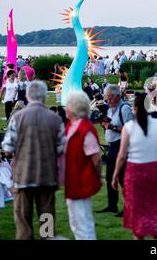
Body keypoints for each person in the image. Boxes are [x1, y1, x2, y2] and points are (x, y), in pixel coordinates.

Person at [2, 81, 65, 240]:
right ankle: (47, 237)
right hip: (47, 175)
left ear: (28, 96)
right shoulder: (55, 119)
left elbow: (8, 149)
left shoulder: (17, 118)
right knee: (46, 213)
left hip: (23, 175)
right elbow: (61, 147)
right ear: (44, 96)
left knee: (23, 215)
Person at [111, 92, 157, 240]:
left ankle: (140, 234)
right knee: (152, 207)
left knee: (137, 211)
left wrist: (114, 175)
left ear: (135, 107)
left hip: (134, 172)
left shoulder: (129, 127)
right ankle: (156, 231)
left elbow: (121, 155)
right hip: (153, 170)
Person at [64, 91, 102, 240]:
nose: (65, 108)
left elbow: (96, 158)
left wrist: (97, 176)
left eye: (67, 105)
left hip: (82, 180)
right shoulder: (71, 126)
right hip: (72, 179)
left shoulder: (85, 129)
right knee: (75, 221)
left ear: (73, 108)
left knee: (83, 222)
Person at [98, 85, 133, 215]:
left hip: (121, 145)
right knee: (109, 177)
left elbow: (130, 129)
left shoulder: (125, 109)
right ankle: (112, 205)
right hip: (112, 146)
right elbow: (108, 123)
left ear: (116, 96)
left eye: (109, 97)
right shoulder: (110, 109)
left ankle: (128, 208)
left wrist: (112, 127)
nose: (107, 100)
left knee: (123, 178)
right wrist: (104, 124)